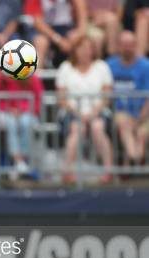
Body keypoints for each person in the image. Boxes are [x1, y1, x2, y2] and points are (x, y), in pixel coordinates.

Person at [56, 36, 114, 184]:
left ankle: (109, 170)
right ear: (75, 50)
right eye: (81, 48)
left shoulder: (102, 66)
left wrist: (93, 113)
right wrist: (79, 114)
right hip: (71, 112)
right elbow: (62, 99)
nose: (85, 51)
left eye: (89, 47)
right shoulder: (65, 67)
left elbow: (106, 96)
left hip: (98, 110)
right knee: (77, 128)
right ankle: (67, 171)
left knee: (97, 127)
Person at [107, 31, 149, 165]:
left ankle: (131, 162)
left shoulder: (145, 66)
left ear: (136, 46)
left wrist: (139, 118)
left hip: (144, 114)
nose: (127, 48)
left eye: (131, 45)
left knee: (142, 133)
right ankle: (134, 158)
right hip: (119, 114)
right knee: (124, 123)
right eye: (124, 44)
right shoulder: (109, 65)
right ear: (118, 46)